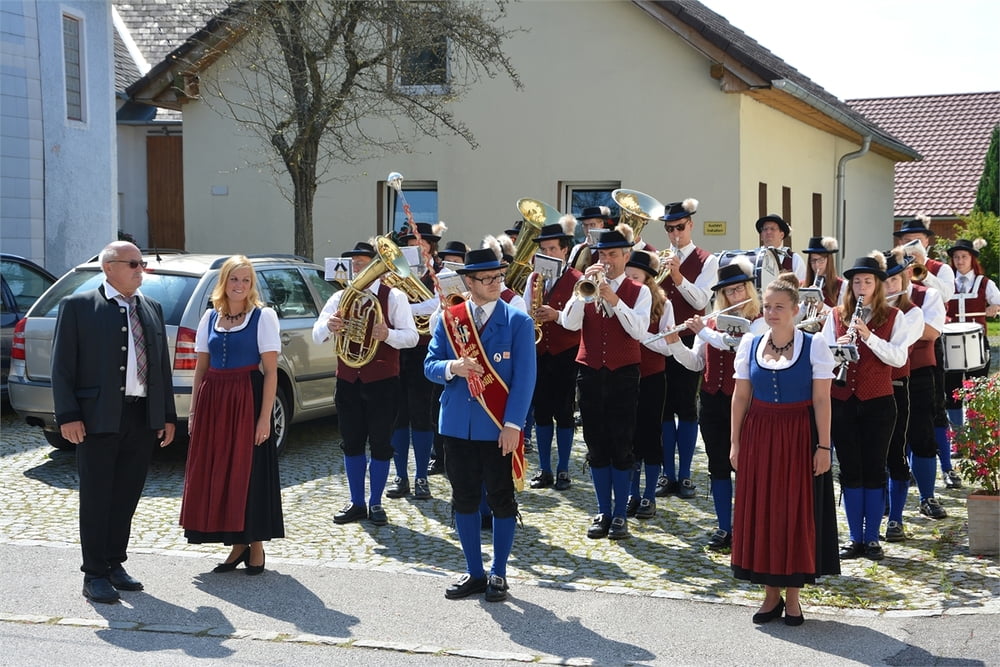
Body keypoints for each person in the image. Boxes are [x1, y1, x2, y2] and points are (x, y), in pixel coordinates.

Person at [52, 241, 177, 604]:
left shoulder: (150, 307)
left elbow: (161, 368)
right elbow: (62, 367)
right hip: (97, 418)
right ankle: (94, 573)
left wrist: (167, 416)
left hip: (140, 417)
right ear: (109, 267)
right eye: (133, 263)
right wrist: (69, 415)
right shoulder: (78, 306)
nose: (140, 270)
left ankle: (114, 563)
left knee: (126, 495)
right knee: (97, 496)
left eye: (142, 264)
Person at [424, 248, 537, 602]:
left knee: (501, 499)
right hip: (457, 424)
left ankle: (499, 572)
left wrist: (514, 424)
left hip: (498, 426)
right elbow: (429, 365)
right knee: (464, 499)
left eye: (498, 277)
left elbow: (525, 380)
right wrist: (452, 368)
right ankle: (474, 571)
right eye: (486, 278)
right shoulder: (450, 319)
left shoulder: (518, 321)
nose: (494, 283)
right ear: (468, 282)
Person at [730, 274, 838, 626]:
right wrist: (735, 442)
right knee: (763, 510)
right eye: (767, 306)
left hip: (798, 435)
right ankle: (769, 595)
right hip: (759, 434)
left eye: (779, 307)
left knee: (794, 512)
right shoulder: (750, 343)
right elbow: (740, 397)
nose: (772, 313)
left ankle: (793, 597)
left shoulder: (814, 345)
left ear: (795, 310)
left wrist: (824, 446)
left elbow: (822, 400)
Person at [180, 255, 284, 574]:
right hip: (213, 400)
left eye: (246, 280)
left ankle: (256, 545)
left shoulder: (262, 317)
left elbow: (271, 372)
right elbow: (201, 368)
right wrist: (194, 411)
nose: (240, 285)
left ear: (252, 285)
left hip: (246, 398)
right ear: (224, 282)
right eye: (234, 279)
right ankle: (236, 545)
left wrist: (265, 418)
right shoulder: (209, 317)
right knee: (219, 470)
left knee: (248, 471)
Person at [312, 241, 418, 526]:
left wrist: (388, 334)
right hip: (348, 380)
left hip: (382, 382)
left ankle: (376, 503)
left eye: (364, 263)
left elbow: (412, 337)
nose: (358, 268)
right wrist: (329, 326)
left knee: (381, 444)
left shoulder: (394, 297)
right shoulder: (340, 297)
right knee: (351, 442)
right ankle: (357, 502)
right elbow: (316, 334)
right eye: (355, 264)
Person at [561, 225, 652, 540]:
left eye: (613, 254)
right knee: (596, 444)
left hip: (623, 373)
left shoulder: (639, 291)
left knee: (622, 444)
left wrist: (615, 300)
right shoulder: (586, 286)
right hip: (589, 372)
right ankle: (603, 511)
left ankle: (620, 515)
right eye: (602, 255)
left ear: (626, 256)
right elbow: (568, 323)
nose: (607, 261)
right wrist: (581, 294)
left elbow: (638, 331)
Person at [668, 258, 765, 550]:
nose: (735, 295)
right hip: (712, 401)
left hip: (747, 403)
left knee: (747, 467)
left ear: (749, 290)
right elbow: (697, 362)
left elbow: (739, 345)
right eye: (728, 291)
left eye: (739, 289)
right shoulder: (711, 321)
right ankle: (724, 527)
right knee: (718, 466)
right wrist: (674, 343)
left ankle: (749, 528)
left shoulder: (759, 320)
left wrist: (703, 331)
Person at [821, 255, 912, 561]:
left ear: (878, 286)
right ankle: (854, 538)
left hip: (878, 403)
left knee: (874, 469)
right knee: (849, 470)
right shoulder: (836, 316)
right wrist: (839, 349)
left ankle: (872, 537)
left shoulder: (894, 316)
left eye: (868, 281)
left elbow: (898, 358)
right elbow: (822, 358)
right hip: (842, 402)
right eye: (857, 281)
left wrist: (869, 337)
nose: (862, 286)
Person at [880, 248, 946, 540]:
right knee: (886, 440)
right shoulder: (872, 301)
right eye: (886, 279)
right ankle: (885, 503)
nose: (891, 284)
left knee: (922, 435)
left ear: (907, 273)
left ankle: (927, 497)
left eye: (897, 276)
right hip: (883, 375)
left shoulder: (926, 296)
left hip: (918, 372)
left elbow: (931, 332)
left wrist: (895, 329)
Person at [655, 198, 718, 500]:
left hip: (690, 340)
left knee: (687, 408)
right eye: (669, 229)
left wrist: (678, 276)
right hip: (660, 340)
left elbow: (700, 300)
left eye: (679, 227)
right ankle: (667, 474)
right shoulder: (659, 258)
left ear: (690, 225)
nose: (675, 234)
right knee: (664, 409)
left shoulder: (708, 260)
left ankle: (686, 475)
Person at [893, 215, 956, 486]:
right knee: (901, 421)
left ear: (926, 242)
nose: (910, 245)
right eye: (906, 241)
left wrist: (922, 271)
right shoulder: (894, 271)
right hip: (897, 357)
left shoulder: (940, 269)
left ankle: (946, 468)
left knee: (935, 409)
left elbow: (946, 295)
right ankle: (904, 473)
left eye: (915, 241)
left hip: (929, 346)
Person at [523, 217, 582, 491]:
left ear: (564, 250)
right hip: (539, 352)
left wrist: (556, 315)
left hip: (566, 352)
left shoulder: (578, 280)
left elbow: (577, 321)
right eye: (543, 250)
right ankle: (544, 468)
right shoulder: (534, 278)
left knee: (565, 412)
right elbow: (525, 312)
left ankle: (563, 469)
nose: (547, 254)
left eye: (552, 249)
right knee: (542, 412)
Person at [388, 224, 444, 500]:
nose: (415, 249)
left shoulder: (442, 273)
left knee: (422, 414)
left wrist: (404, 308)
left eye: (420, 244)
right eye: (410, 245)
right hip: (398, 349)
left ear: (430, 246)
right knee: (398, 414)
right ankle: (400, 476)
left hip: (424, 348)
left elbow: (436, 304)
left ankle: (422, 476)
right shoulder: (395, 274)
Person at [943, 238, 1000, 484]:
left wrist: (994, 307)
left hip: (977, 344)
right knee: (953, 393)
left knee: (976, 393)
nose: (960, 261)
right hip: (951, 345)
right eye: (956, 257)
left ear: (972, 259)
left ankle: (976, 441)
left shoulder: (984, 283)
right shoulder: (947, 283)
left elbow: (998, 302)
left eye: (964, 257)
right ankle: (958, 441)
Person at [623, 250, 673, 519]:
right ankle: (632, 493)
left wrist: (642, 335)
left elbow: (669, 347)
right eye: (628, 275)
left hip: (652, 376)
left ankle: (649, 495)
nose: (631, 280)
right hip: (625, 376)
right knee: (628, 438)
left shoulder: (663, 304)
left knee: (651, 437)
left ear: (648, 279)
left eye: (636, 276)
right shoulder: (621, 298)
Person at [428, 239, 468, 476]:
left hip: (470, 362)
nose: (452, 265)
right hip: (447, 362)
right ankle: (439, 457)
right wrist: (443, 308)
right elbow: (433, 327)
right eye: (448, 262)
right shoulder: (441, 287)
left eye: (456, 261)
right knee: (438, 411)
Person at [756, 214, 805, 282]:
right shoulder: (755, 258)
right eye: (765, 229)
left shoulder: (794, 259)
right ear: (761, 236)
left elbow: (801, 285)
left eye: (772, 229)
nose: (768, 232)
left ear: (781, 235)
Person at [801, 236, 845, 308]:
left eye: (821, 260)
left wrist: (822, 307)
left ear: (829, 260)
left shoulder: (842, 285)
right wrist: (805, 304)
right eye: (813, 260)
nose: (817, 265)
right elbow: (795, 314)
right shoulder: (802, 285)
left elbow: (842, 313)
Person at [568, 206, 614, 272]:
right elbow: (571, 273)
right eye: (585, 225)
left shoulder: (610, 248)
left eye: (592, 225)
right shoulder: (577, 249)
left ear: (601, 225)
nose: (588, 229)